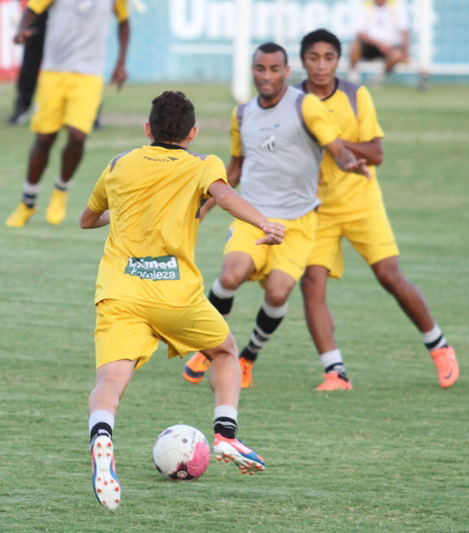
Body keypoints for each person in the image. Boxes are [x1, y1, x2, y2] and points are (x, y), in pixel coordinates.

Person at [81, 91, 286, 510]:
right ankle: (225, 434)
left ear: (147, 129)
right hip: (176, 295)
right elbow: (224, 196)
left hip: (121, 291)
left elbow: (88, 219)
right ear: (192, 133)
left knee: (110, 381)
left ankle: (102, 441)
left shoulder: (120, 163)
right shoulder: (202, 165)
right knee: (226, 351)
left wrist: (119, 213)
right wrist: (264, 222)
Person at [182, 43, 369, 389]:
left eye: (273, 69)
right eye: (260, 69)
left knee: (279, 294)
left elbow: (336, 147)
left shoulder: (305, 106)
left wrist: (349, 163)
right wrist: (205, 206)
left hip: (296, 222)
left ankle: (247, 357)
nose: (266, 76)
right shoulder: (242, 115)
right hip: (253, 214)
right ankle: (207, 347)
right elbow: (235, 166)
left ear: (286, 72)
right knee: (231, 273)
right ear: (252, 70)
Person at [296, 28, 459, 390]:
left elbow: (377, 152)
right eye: (313, 58)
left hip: (360, 201)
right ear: (303, 61)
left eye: (328, 58)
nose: (321, 66)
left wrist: (333, 143)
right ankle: (335, 371)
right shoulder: (295, 101)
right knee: (312, 284)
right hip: (317, 208)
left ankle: (439, 345)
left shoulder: (356, 96)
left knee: (390, 276)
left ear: (339, 61)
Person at [5, 0, 129, 228]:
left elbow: (124, 21)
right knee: (44, 138)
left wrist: (121, 63)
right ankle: (27, 203)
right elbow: (32, 10)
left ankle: (61, 190)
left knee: (78, 136)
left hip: (88, 75)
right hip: (54, 71)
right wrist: (21, 30)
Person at [348, 0, 410, 83]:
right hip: (370, 45)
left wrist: (406, 53)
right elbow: (360, 33)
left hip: (391, 47)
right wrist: (380, 45)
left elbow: (404, 30)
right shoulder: (366, 5)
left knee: (396, 55)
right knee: (354, 46)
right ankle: (353, 78)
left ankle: (379, 78)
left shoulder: (396, 5)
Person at [7, 9, 48, 125]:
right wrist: (22, 28)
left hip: (64, 23)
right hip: (39, 19)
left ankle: (91, 112)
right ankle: (21, 109)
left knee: (75, 68)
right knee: (30, 66)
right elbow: (33, 7)